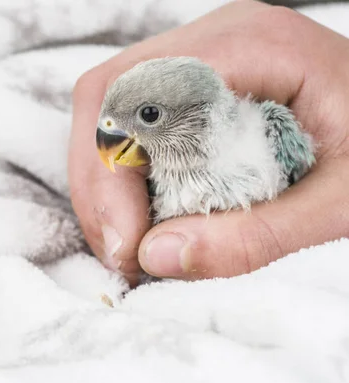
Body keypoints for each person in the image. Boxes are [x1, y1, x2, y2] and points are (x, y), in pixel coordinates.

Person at [68, 0, 349, 284]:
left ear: (203, 113)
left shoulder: (268, 131)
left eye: (150, 115)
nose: (111, 137)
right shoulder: (158, 179)